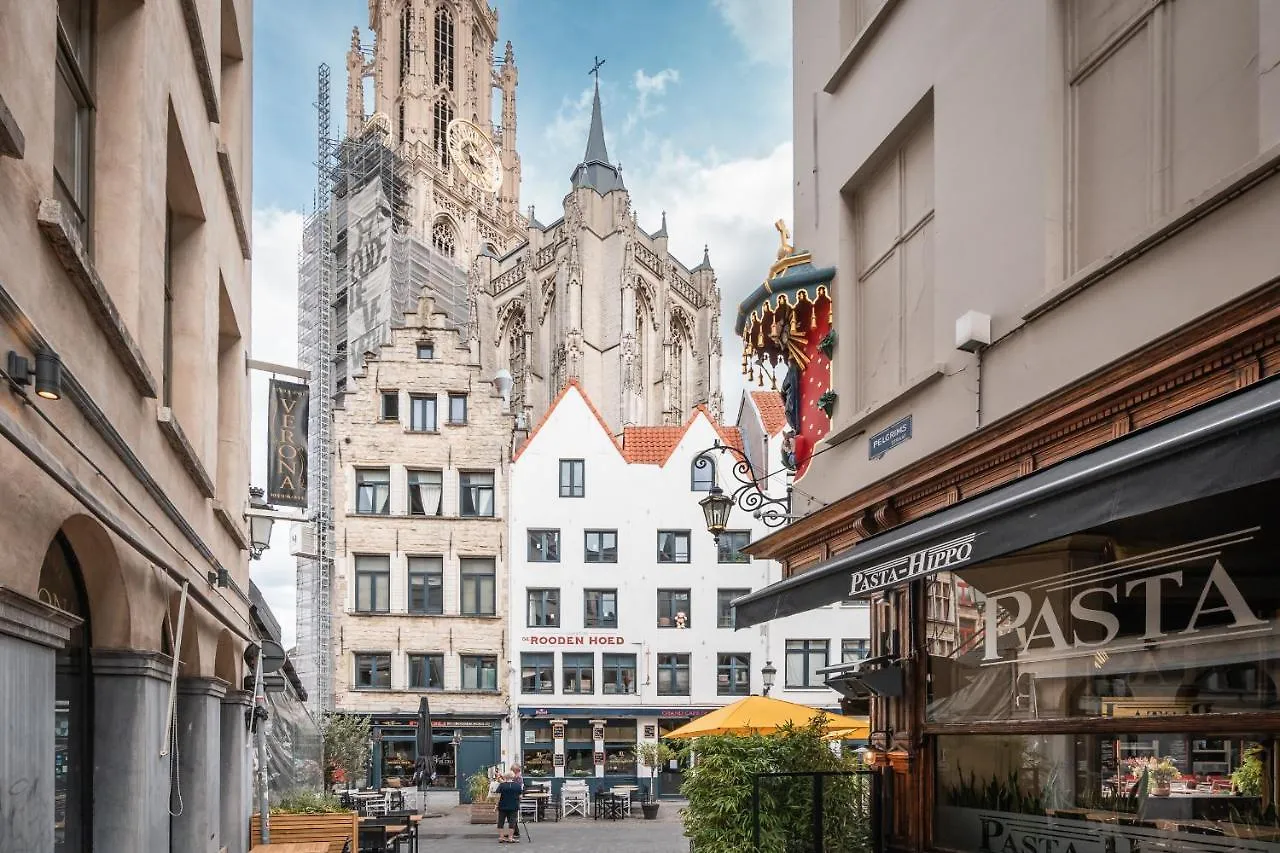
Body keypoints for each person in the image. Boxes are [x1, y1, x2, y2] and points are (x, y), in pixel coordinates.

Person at [495, 772, 523, 843]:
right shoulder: (517, 786)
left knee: (501, 821)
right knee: (512, 822)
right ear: (513, 777)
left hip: (502, 806)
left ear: (505, 777)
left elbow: (498, 796)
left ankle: (501, 837)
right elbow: (520, 797)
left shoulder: (502, 785)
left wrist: (496, 805)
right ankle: (510, 838)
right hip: (513, 806)